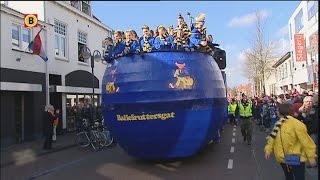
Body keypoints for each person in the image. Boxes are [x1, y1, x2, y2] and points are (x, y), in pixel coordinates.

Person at [264, 103, 317, 180]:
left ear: (282, 111)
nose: (276, 111)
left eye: (277, 110)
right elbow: (272, 138)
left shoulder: (297, 124)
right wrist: (268, 149)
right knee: (288, 177)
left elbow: (306, 142)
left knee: (299, 177)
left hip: (295, 158)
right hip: (282, 158)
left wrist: (311, 157)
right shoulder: (278, 123)